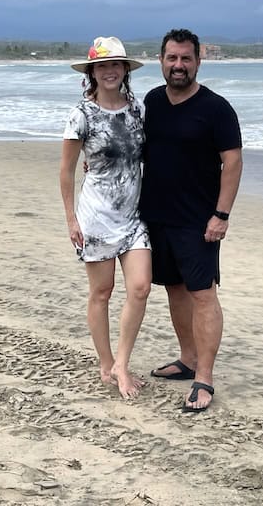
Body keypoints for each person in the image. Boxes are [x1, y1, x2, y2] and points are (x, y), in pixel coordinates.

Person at [140, 28, 243, 412]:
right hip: (156, 216)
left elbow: (232, 163)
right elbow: (138, 149)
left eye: (186, 58)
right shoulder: (152, 101)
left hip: (199, 221)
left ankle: (206, 378)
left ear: (198, 61)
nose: (178, 65)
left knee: (203, 294)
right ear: (161, 60)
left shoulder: (216, 109)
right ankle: (187, 359)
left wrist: (221, 214)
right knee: (174, 289)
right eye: (172, 58)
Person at [59, 36, 151, 399]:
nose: (109, 71)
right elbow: (66, 171)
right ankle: (105, 362)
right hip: (95, 216)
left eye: (115, 65)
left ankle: (122, 364)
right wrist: (71, 219)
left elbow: (148, 155)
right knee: (101, 291)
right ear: (92, 73)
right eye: (102, 66)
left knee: (140, 287)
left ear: (125, 70)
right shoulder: (81, 114)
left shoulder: (138, 110)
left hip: (133, 216)